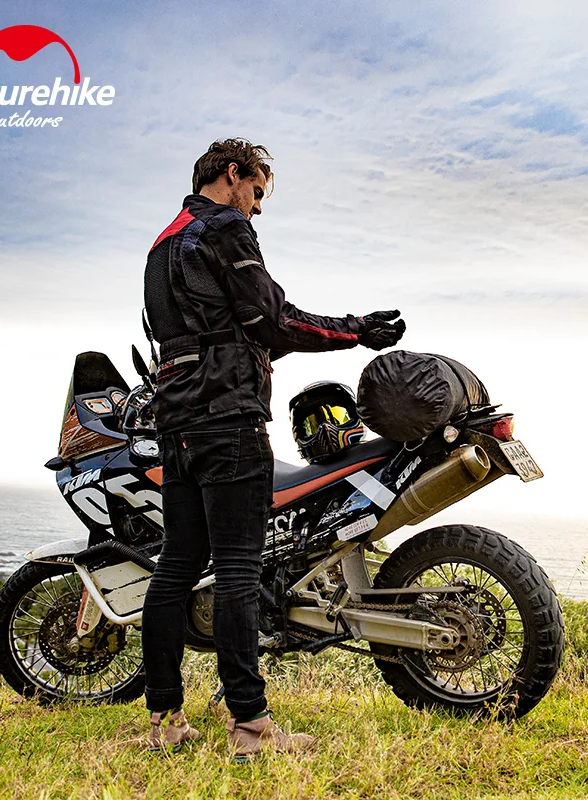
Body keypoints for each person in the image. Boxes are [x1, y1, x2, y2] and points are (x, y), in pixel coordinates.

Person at [141, 138, 406, 759]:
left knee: (176, 567)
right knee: (238, 570)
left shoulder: (160, 245)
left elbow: (202, 333)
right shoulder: (226, 227)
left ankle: (165, 721)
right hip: (229, 419)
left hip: (175, 423)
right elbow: (273, 321)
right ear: (232, 175)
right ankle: (251, 728)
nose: (258, 207)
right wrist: (357, 331)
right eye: (257, 191)